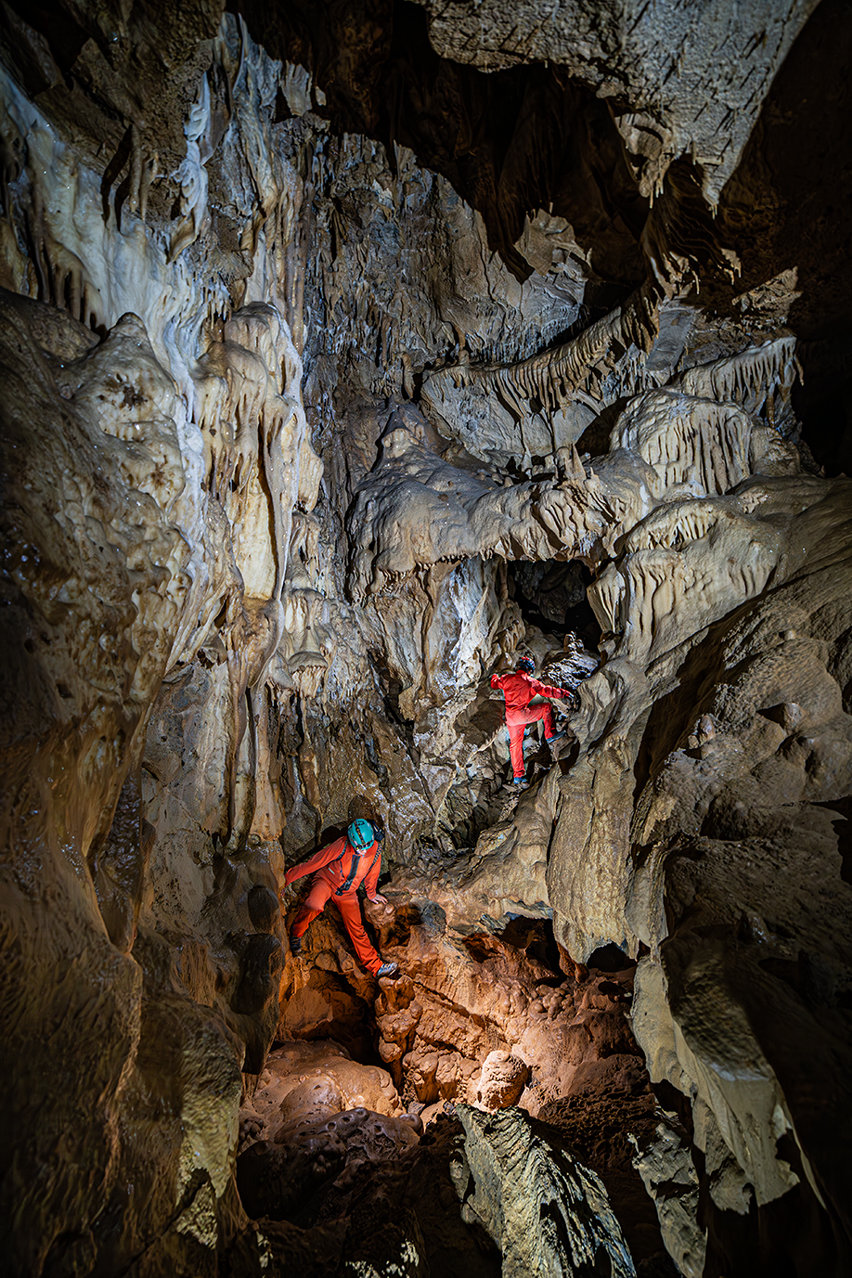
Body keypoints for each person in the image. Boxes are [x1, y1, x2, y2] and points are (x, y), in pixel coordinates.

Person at [281, 819, 398, 977]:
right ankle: (296, 934)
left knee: (357, 929)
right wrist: (286, 879)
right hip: (327, 881)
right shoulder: (342, 845)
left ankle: (376, 968)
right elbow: (314, 863)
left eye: (366, 847)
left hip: (348, 893)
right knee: (313, 905)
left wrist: (371, 893)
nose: (363, 851)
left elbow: (373, 874)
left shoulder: (375, 850)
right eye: (359, 847)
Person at [491, 655, 572, 788]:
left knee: (515, 745)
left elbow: (494, 683)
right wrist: (564, 693)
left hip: (511, 718)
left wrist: (494, 675)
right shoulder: (531, 682)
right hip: (523, 714)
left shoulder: (507, 678)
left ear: (518, 667)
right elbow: (548, 691)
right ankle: (550, 735)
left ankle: (518, 776)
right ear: (529, 670)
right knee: (546, 707)